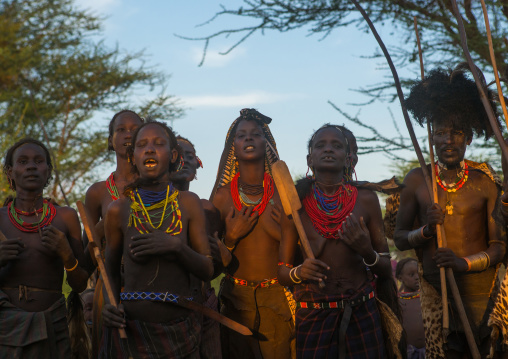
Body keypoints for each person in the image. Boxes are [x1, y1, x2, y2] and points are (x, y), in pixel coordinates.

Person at [394, 65, 506, 358]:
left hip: (483, 294)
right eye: (440, 132)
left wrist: (464, 264)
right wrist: (426, 231)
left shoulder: (485, 182)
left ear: (468, 137)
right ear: (431, 138)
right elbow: (400, 238)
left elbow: (499, 247)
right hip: (436, 292)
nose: (448, 140)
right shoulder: (417, 179)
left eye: (456, 133)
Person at [278, 124, 398, 359]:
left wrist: (366, 251)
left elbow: (385, 269)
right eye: (320, 145)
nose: (328, 149)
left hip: (361, 311)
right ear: (309, 158)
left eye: (337, 145)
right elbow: (282, 272)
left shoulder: (366, 199)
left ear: (348, 158)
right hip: (314, 314)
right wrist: (300, 272)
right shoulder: (294, 203)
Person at [100, 120, 213, 358]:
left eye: (158, 144)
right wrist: (110, 305)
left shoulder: (188, 203)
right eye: (142, 145)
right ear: (133, 157)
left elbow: (207, 268)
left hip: (180, 332)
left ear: (173, 155)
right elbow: (109, 267)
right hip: (129, 332)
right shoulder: (118, 210)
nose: (150, 149)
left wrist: (176, 248)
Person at [210, 108, 294, 359]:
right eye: (241, 135)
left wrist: (285, 235)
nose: (248, 139)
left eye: (256, 134)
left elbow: (304, 252)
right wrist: (231, 239)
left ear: (267, 144)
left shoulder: (284, 193)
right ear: (232, 147)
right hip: (235, 300)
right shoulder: (222, 197)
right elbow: (211, 262)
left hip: (278, 298)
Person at [0, 138, 88, 358]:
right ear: (10, 172)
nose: (31, 166)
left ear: (48, 171)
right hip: (6, 326)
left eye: (39, 161)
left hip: (52, 324)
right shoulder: (0, 219)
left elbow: (79, 284)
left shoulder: (65, 217)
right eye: (23, 161)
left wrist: (67, 255)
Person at [82, 109, 144, 358]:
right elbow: (86, 259)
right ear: (110, 140)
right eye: (121, 129)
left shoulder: (160, 185)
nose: (127, 134)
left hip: (151, 283)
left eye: (134, 129)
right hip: (108, 291)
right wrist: (101, 227)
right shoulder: (97, 193)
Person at [172, 135, 225, 359]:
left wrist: (224, 253)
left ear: (198, 164)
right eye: (178, 154)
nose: (184, 160)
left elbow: (214, 269)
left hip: (204, 306)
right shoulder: (146, 207)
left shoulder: (207, 210)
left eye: (190, 156)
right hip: (165, 309)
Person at [396, 258, 425, 359]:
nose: (417, 277)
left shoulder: (428, 297)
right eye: (411, 275)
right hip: (408, 353)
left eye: (418, 273)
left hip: (431, 350)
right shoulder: (398, 301)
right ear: (400, 278)